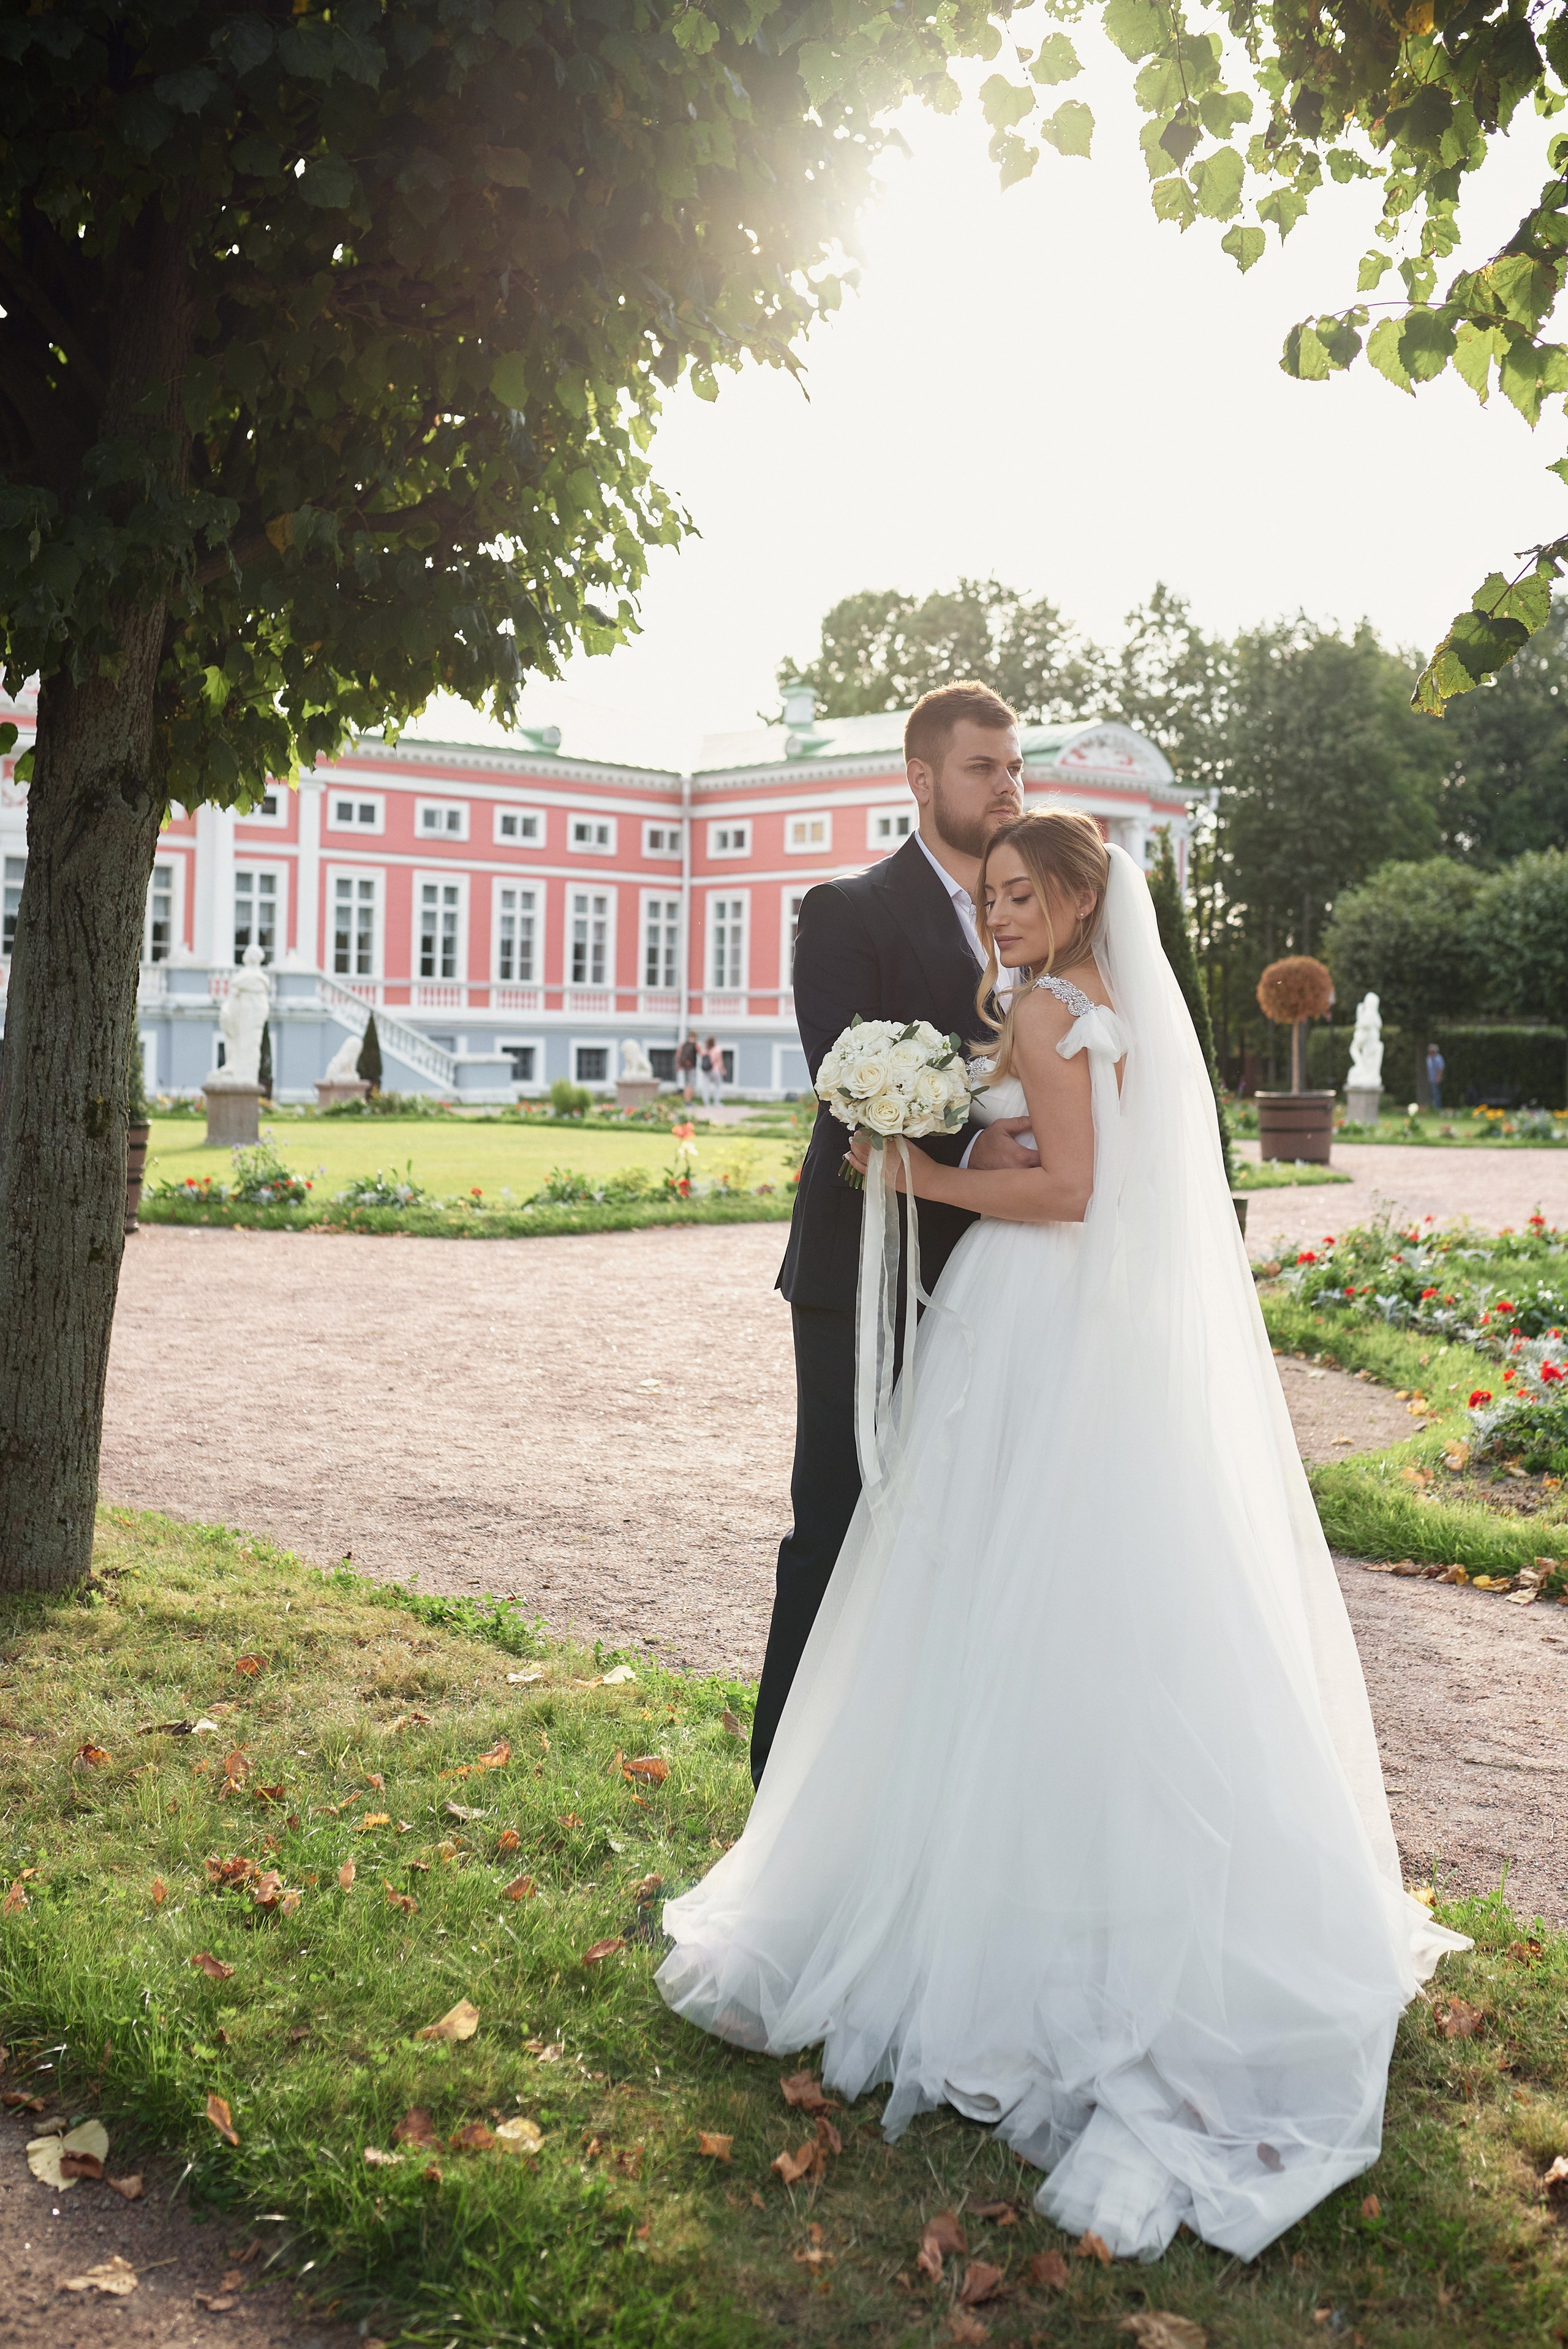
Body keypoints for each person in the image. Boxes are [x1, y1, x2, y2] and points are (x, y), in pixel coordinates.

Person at [659, 809, 1469, 2263]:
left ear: (1082, 897)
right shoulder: (1104, 1009)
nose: (998, 916)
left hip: (1031, 1319)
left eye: (1021, 894)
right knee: (1084, 1608)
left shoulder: (1045, 1009)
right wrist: (986, 1126)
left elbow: (1069, 1190)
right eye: (988, 895)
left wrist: (920, 1174)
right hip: (1093, 1336)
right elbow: (1088, 1153)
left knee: (984, 1597)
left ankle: (975, 1923)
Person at [753, 682, 1039, 1787]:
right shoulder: (849, 909)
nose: (1008, 785)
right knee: (837, 1527)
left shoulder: (1036, 918)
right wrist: (971, 1149)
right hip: (867, 1268)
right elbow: (845, 1077)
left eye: (1015, 766)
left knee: (968, 1538)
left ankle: (916, 1795)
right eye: (983, 767)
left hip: (1005, 1277)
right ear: (921, 779)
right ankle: (783, 1800)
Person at [698, 1037, 725, 1109]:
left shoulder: (705, 1050)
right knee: (718, 1086)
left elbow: (701, 1055)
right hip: (715, 1070)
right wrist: (722, 1069)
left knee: (706, 1087)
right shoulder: (717, 1049)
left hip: (706, 1071)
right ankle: (717, 1102)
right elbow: (720, 1061)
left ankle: (706, 1103)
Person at [676, 1031, 698, 1106]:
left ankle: (686, 1101)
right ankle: (688, 1101)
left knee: (687, 1083)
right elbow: (702, 1054)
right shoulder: (696, 1044)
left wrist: (678, 1064)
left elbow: (678, 1054)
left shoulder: (684, 1044)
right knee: (691, 1084)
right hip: (692, 1066)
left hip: (684, 1066)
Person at [1426, 1042, 1446, 1112]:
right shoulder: (1428, 1058)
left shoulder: (1438, 1058)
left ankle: (1438, 1108)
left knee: (1437, 1094)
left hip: (1436, 1079)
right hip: (1430, 1079)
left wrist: (1438, 1078)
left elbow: (1441, 1069)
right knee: (1432, 1094)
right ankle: (1433, 1108)